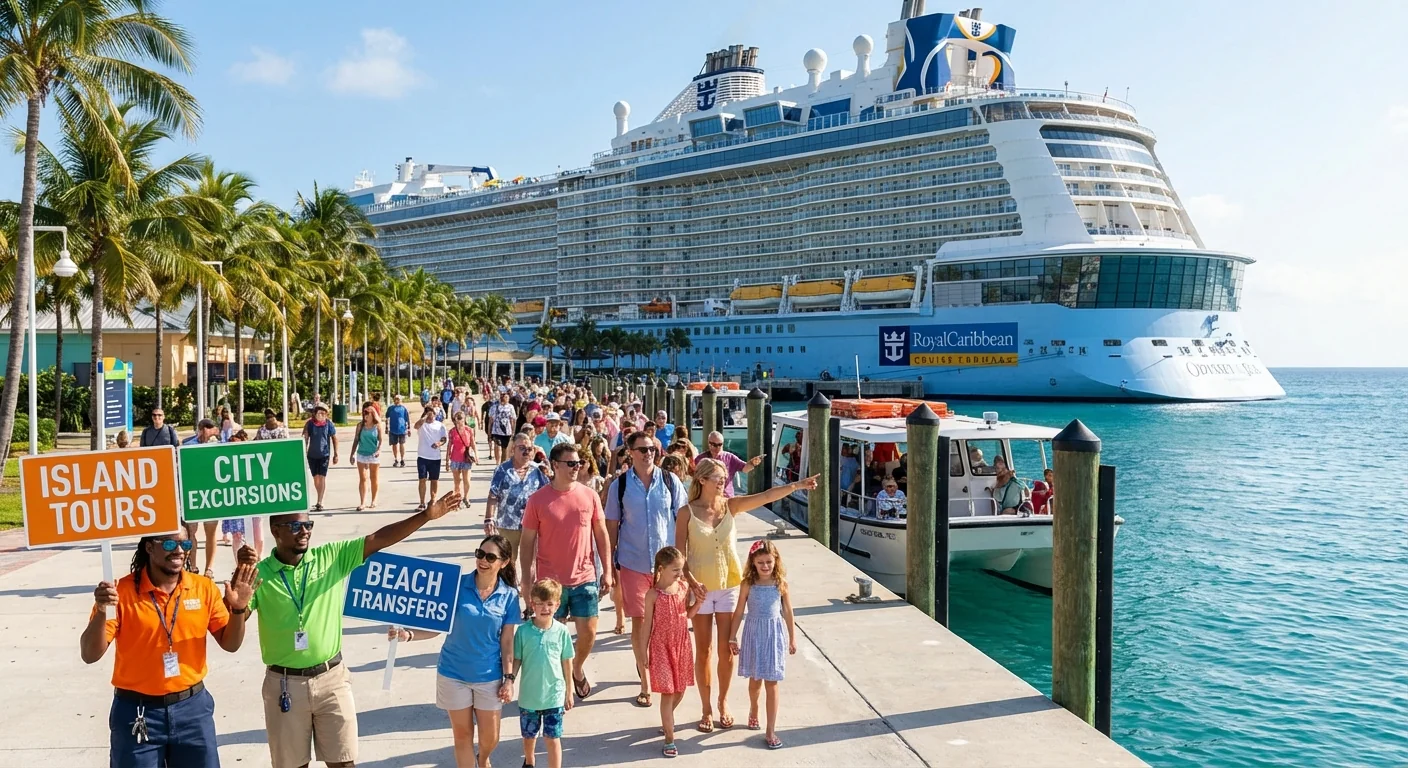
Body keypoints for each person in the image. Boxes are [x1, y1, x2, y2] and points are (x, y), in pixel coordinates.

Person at [237, 490, 463, 768]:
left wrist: (426, 516)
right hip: (284, 685)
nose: (304, 532)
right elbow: (232, 636)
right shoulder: (259, 574)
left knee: (344, 763)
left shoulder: (331, 557)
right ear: (275, 531)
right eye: (295, 526)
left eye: (308, 525)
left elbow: (378, 539)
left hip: (331, 679)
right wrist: (238, 591)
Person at [80, 528, 256, 768]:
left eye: (186, 545)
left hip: (192, 710)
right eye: (170, 545)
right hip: (138, 712)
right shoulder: (120, 592)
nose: (180, 551)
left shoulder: (203, 588)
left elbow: (231, 644)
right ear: (149, 547)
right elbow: (89, 654)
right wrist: (102, 611)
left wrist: (238, 610)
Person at [678, 459, 817, 734]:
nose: (723, 482)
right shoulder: (686, 512)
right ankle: (706, 708)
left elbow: (765, 496)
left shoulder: (731, 506)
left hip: (729, 588)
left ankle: (723, 702)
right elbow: (679, 555)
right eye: (718, 478)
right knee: (704, 651)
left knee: (726, 650)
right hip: (700, 590)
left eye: (724, 478)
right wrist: (691, 583)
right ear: (702, 480)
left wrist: (797, 485)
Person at [390, 535, 520, 768]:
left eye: (490, 557)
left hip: (488, 676)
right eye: (480, 554)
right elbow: (436, 625)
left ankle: (483, 759)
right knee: (462, 736)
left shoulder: (509, 596)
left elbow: (507, 641)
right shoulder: (456, 586)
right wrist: (408, 634)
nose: (483, 560)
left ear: (504, 562)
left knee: (490, 738)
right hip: (452, 674)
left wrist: (509, 678)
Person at [520, 443, 613, 703]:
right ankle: (561, 684)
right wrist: (527, 580)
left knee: (589, 633)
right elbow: (526, 543)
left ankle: (577, 668)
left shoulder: (589, 496)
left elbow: (601, 534)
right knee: (552, 639)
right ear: (555, 465)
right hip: (550, 583)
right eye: (571, 463)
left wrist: (607, 571)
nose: (576, 467)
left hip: (585, 578)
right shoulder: (538, 500)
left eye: (578, 463)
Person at [606, 431, 686, 709]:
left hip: (667, 566)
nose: (648, 454)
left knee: (667, 622)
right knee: (640, 623)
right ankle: (646, 682)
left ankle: (664, 671)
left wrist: (684, 562)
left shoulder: (670, 481)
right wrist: (609, 564)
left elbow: (682, 519)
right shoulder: (620, 486)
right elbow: (612, 525)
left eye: (652, 449)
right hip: (633, 562)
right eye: (642, 449)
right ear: (630, 452)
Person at [728, 539, 797, 750]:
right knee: (755, 680)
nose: (765, 566)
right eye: (760, 563)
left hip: (773, 635)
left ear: (776, 561)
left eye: (769, 562)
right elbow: (739, 611)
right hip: (754, 634)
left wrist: (792, 637)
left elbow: (788, 611)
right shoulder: (748, 584)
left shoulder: (780, 583)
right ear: (753, 563)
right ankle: (754, 708)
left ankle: (770, 730)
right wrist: (732, 636)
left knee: (772, 682)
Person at [642, 546, 699, 759]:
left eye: (681, 569)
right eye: (675, 570)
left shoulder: (683, 587)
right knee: (667, 692)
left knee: (680, 689)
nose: (680, 573)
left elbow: (688, 614)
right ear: (661, 569)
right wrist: (643, 652)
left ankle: (667, 719)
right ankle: (669, 737)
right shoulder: (652, 595)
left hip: (682, 644)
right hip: (661, 647)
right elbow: (647, 625)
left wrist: (699, 602)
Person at [513, 579, 575, 768]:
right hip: (529, 697)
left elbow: (567, 662)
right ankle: (529, 761)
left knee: (553, 737)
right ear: (532, 604)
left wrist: (569, 691)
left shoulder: (562, 631)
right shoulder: (523, 632)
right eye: (540, 603)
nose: (545, 608)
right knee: (529, 735)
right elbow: (517, 659)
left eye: (549, 603)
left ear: (557, 605)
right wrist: (509, 681)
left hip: (554, 695)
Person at [486, 433, 551, 555]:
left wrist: (549, 471)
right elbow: (493, 495)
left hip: (532, 525)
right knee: (508, 561)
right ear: (513, 449)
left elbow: (549, 494)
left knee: (532, 561)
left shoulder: (538, 470)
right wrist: (489, 519)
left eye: (529, 449)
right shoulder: (502, 470)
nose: (526, 452)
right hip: (507, 525)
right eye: (522, 448)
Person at [181, 419, 224, 577]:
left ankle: (209, 569)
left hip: (212, 495)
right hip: (193, 495)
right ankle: (193, 566)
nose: (209, 433)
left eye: (211, 429)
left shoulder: (218, 445)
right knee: (191, 532)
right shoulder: (188, 446)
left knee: (210, 532)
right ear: (200, 430)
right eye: (207, 429)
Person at [694, 431, 762, 498]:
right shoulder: (700, 459)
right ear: (709, 443)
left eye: (719, 445)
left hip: (726, 497)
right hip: (707, 498)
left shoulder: (729, 457)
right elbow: (696, 479)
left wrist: (752, 463)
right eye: (714, 445)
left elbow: (745, 469)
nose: (717, 448)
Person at [302, 405, 338, 512]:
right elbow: (305, 438)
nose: (321, 415)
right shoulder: (310, 424)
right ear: (315, 414)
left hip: (324, 455)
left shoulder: (328, 424)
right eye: (319, 413)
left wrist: (336, 454)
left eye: (324, 413)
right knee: (316, 478)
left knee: (322, 477)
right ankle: (319, 496)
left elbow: (334, 438)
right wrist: (303, 450)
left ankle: (320, 501)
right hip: (312, 455)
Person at [416, 407, 449, 512]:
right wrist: (425, 416)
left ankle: (433, 500)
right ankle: (422, 502)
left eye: (432, 413)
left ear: (435, 414)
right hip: (422, 456)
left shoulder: (440, 425)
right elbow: (416, 426)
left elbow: (444, 438)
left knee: (434, 480)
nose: (430, 415)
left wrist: (439, 443)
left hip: (435, 457)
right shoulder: (422, 425)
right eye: (428, 413)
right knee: (422, 479)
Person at [352, 404, 383, 511]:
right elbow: (356, 440)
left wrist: (378, 450)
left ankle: (374, 500)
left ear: (372, 415)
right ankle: (363, 502)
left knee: (373, 478)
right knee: (363, 478)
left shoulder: (377, 426)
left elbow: (381, 440)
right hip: (361, 454)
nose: (365, 416)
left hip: (373, 454)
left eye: (367, 414)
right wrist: (352, 454)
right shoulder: (360, 426)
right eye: (364, 414)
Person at [447, 411, 478, 508]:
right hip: (455, 458)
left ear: (464, 420)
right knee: (457, 481)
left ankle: (466, 497)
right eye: (457, 422)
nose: (459, 424)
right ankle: (457, 498)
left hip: (466, 458)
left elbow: (473, 443)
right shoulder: (452, 431)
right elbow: (449, 445)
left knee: (467, 480)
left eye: (461, 421)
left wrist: (476, 455)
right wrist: (447, 460)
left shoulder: (469, 430)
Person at [488, 393, 517, 464]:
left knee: (505, 449)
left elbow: (513, 420)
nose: (506, 399)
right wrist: (489, 433)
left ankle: (502, 463)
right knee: (497, 446)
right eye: (504, 397)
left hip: (507, 432)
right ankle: (497, 463)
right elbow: (490, 421)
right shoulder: (494, 407)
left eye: (507, 397)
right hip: (496, 431)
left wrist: (513, 431)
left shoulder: (510, 407)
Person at [386, 394, 411, 468]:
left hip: (402, 429)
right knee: (394, 444)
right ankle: (396, 459)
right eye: (395, 399)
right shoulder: (390, 408)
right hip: (393, 429)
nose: (397, 401)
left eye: (398, 399)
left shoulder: (404, 408)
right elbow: (387, 418)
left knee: (401, 444)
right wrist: (386, 428)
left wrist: (409, 428)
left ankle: (402, 459)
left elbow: (407, 419)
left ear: (401, 400)